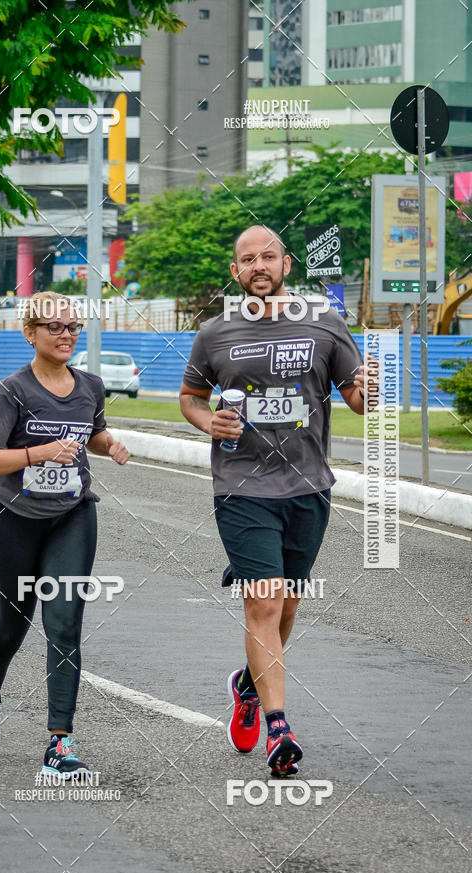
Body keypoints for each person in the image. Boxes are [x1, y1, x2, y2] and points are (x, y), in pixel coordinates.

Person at [180, 225, 377, 776]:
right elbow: (190, 397)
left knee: (287, 606)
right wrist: (207, 421)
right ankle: (279, 729)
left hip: (309, 487)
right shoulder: (215, 333)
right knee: (263, 603)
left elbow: (356, 398)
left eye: (269, 256)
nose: (259, 266)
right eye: (249, 259)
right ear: (236, 271)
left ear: (286, 264)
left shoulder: (325, 324)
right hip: (242, 488)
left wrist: (371, 388)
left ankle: (247, 684)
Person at [0, 291, 130, 778]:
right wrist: (39, 453)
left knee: (64, 622)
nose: (66, 335)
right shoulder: (9, 393)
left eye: (73, 327)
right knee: (13, 626)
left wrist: (110, 445)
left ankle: (60, 743)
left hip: (72, 515)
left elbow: (90, 433)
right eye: (55, 327)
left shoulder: (91, 386)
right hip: (9, 521)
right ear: (30, 333)